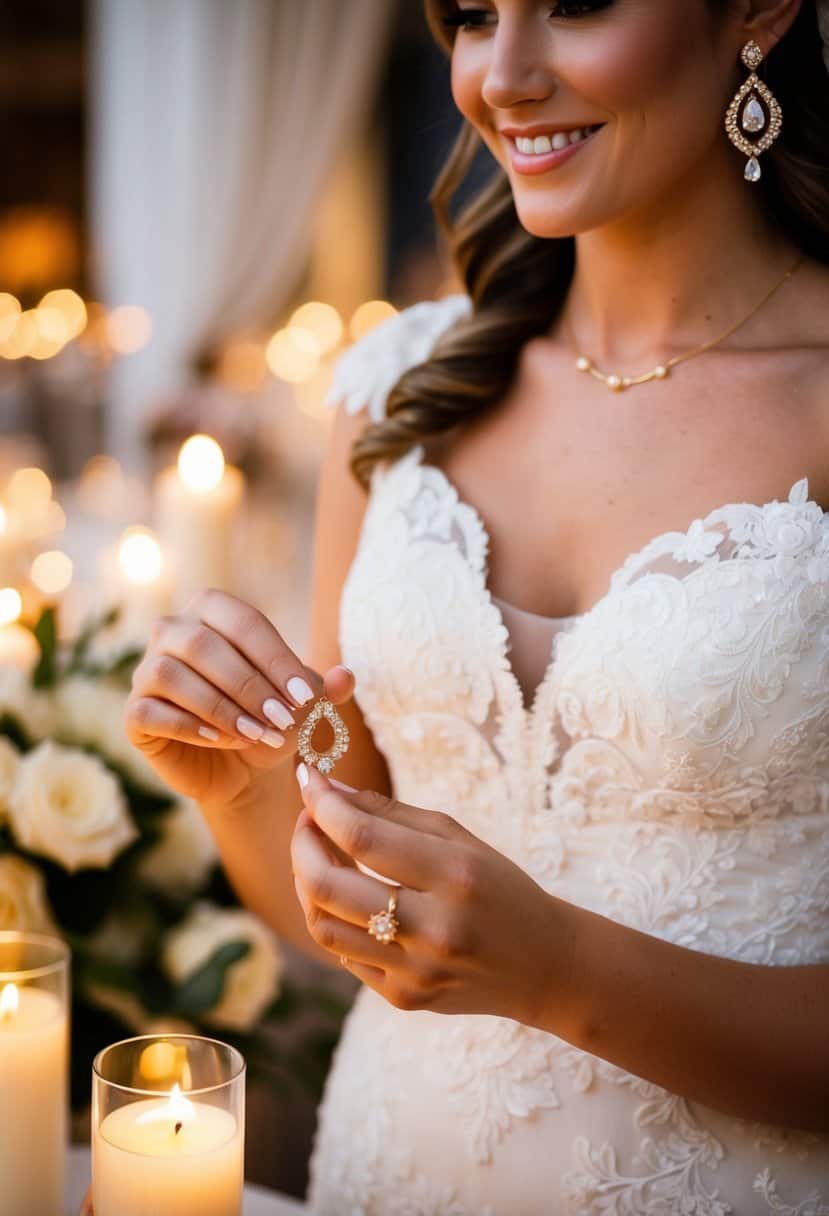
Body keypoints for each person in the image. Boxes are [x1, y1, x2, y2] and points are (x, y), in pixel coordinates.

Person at [81, 1, 829, 1213]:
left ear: (754, 10)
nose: (504, 76)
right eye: (475, 16)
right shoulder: (396, 391)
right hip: (391, 1171)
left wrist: (561, 967)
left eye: (576, 4)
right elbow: (350, 898)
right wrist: (245, 794)